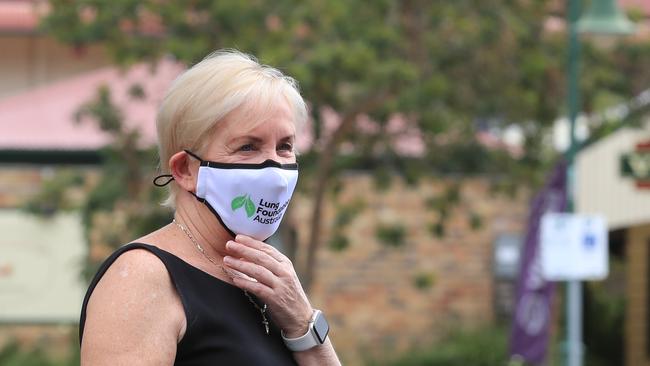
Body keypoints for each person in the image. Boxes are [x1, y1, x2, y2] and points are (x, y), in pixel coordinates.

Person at [79, 50, 341, 366]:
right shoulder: (142, 277)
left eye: (284, 146)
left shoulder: (267, 280)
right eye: (248, 147)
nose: (275, 173)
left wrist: (303, 323)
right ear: (186, 170)